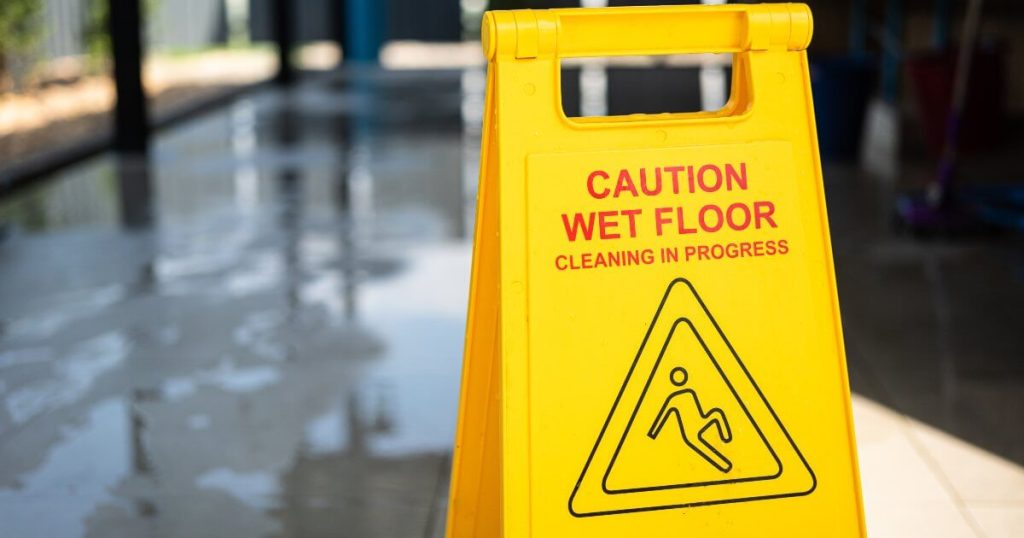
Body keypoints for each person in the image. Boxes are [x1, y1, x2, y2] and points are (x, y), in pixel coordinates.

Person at [647, 366, 733, 472]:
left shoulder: (677, 397)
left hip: (694, 427)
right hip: (698, 425)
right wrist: (653, 433)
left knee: (714, 418)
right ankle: (725, 448)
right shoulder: (687, 394)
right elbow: (665, 415)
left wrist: (653, 433)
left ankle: (725, 455)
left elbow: (664, 415)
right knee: (716, 415)